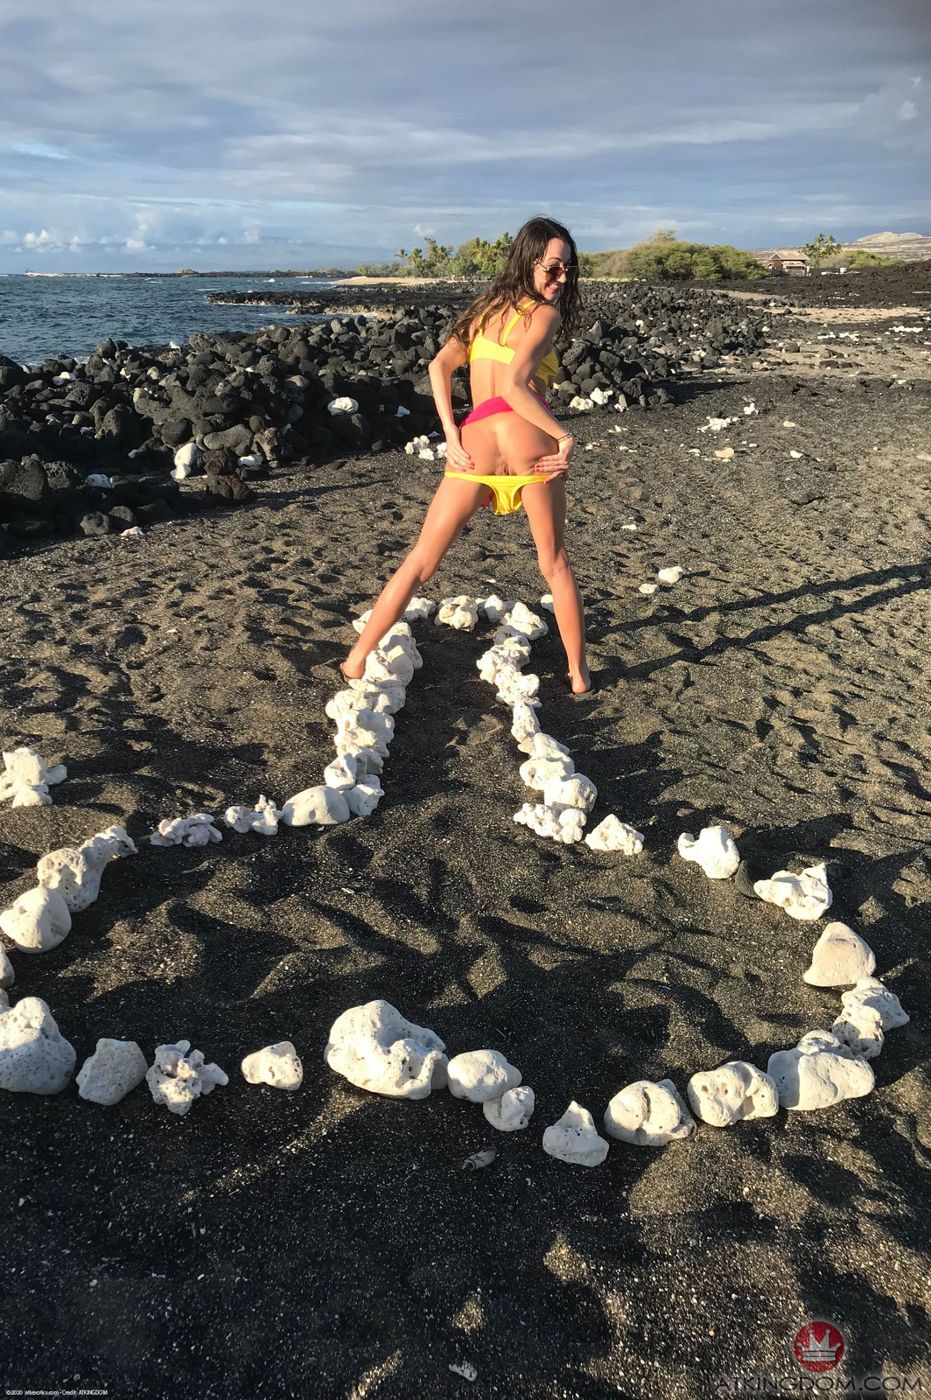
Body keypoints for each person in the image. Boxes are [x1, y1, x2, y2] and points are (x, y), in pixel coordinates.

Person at [341, 215, 591, 694]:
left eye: (568, 269)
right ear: (529, 261)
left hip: (474, 445)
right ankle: (578, 675)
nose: (562, 278)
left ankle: (356, 659)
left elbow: (439, 366)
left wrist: (451, 433)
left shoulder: (483, 310)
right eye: (553, 268)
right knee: (554, 563)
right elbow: (516, 387)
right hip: (528, 442)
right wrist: (564, 438)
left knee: (420, 561)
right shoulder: (544, 315)